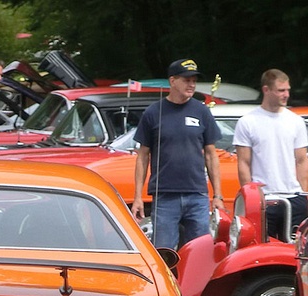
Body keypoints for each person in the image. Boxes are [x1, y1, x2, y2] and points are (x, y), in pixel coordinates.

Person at [131, 58, 223, 250]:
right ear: (173, 81)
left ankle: (197, 282)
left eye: (194, 80)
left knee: (200, 251)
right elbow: (142, 157)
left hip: (197, 194)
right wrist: (137, 196)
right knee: (164, 252)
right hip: (165, 195)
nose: (191, 84)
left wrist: (218, 195)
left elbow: (211, 155)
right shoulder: (153, 113)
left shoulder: (202, 111)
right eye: (186, 80)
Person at [233, 68, 308, 241]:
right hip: (264, 198)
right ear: (266, 90)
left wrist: (304, 195)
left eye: (288, 90)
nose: (286, 94)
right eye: (281, 90)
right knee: (261, 246)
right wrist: (249, 196)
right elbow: (243, 162)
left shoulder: (295, 121)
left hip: (293, 196)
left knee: (295, 248)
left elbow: (302, 160)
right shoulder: (248, 122)